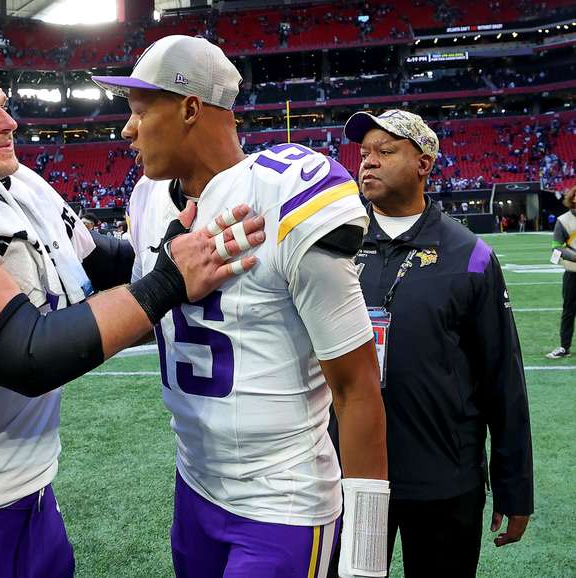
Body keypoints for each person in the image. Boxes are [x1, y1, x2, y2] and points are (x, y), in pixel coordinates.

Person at [0, 45, 265, 577]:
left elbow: (107, 264)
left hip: (32, 503)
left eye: (2, 104)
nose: (8, 122)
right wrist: (169, 281)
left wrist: (188, 238)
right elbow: (25, 356)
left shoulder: (19, 187)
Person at [94, 35, 388, 578]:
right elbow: (152, 319)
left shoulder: (284, 194)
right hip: (195, 486)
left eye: (139, 111)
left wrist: (367, 554)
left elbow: (357, 386)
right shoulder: (148, 198)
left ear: (189, 108)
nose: (126, 130)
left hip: (284, 501)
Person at [340, 109, 533, 577]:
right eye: (364, 153)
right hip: (355, 480)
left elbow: (501, 377)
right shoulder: (335, 246)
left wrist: (514, 488)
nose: (368, 163)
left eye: (385, 152)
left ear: (424, 163)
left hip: (445, 478)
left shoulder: (470, 255)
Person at [546, 186, 576, 359]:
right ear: (572, 198)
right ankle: (565, 347)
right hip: (572, 273)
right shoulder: (563, 220)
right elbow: (556, 248)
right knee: (568, 311)